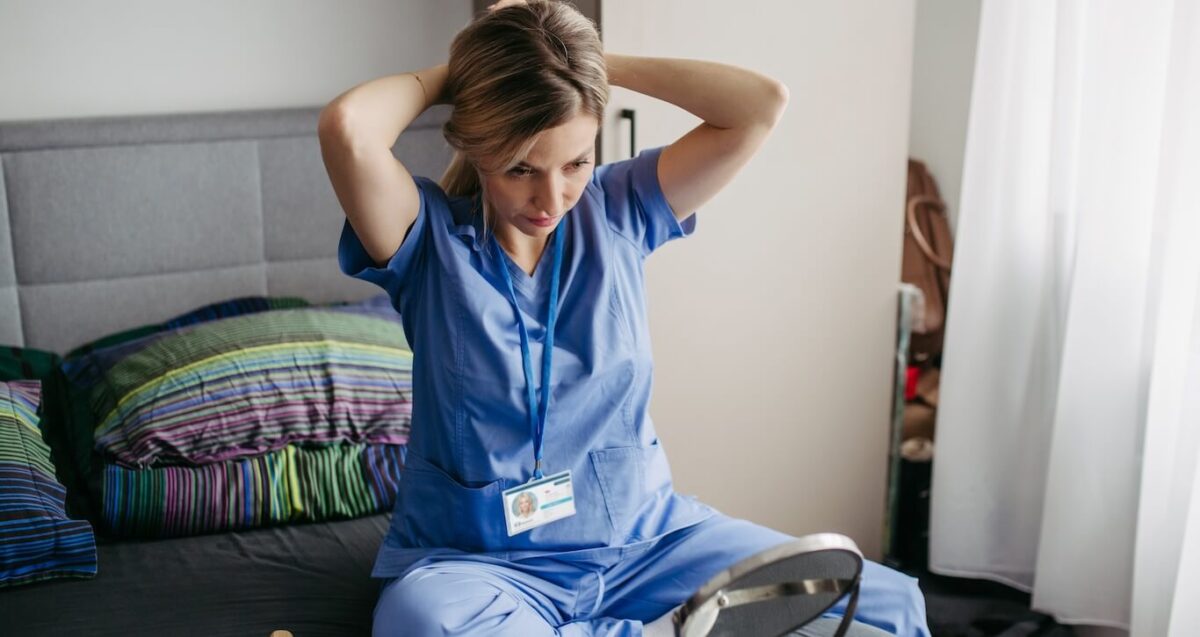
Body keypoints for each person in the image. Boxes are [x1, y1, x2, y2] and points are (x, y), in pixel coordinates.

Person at [319, 1, 930, 635]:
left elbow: (759, 104)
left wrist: (580, 65)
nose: (551, 198)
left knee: (890, 605)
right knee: (425, 623)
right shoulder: (428, 243)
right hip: (483, 566)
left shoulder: (619, 208)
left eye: (575, 163)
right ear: (477, 146)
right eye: (521, 168)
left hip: (647, 544)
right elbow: (348, 128)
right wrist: (474, 72)